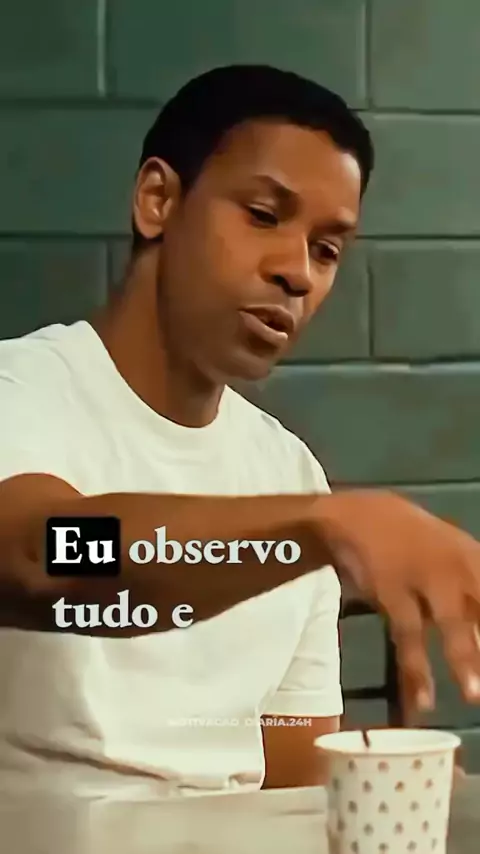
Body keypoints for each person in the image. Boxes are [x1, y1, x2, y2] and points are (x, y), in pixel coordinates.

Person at [0, 64, 478, 795]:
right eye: (262, 214)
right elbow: (46, 554)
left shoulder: (289, 474)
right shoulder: (24, 392)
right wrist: (315, 529)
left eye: (327, 249)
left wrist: (402, 790)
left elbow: (291, 776)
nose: (298, 273)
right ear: (158, 201)